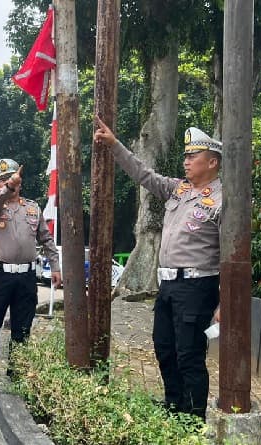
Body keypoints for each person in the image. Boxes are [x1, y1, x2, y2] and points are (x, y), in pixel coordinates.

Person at [94, 117, 222, 420]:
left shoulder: (222, 200)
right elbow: (144, 174)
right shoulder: (178, 190)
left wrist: (224, 302)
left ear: (213, 162)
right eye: (186, 155)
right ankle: (173, 406)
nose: (186, 161)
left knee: (189, 355)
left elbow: (233, 257)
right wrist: (114, 145)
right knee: (164, 348)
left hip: (197, 287)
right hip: (168, 287)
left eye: (193, 156)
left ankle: (193, 420)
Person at [0, 159, 61, 385]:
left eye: (11, 178)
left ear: (20, 181)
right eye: (1, 180)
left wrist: (55, 266)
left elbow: (46, 238)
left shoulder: (32, 208)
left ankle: (17, 374)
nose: (7, 183)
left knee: (22, 328)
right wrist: (6, 189)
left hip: (26, 277)